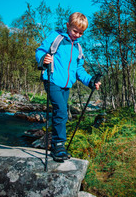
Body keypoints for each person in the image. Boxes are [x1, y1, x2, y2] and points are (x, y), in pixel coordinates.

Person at [35, 12, 101, 161]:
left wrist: (91, 81)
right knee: (62, 111)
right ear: (67, 26)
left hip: (66, 86)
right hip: (52, 80)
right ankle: (58, 146)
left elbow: (79, 70)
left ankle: (57, 144)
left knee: (62, 113)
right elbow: (40, 51)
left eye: (81, 33)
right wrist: (43, 59)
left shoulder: (78, 48)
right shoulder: (56, 37)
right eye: (75, 31)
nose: (77, 35)